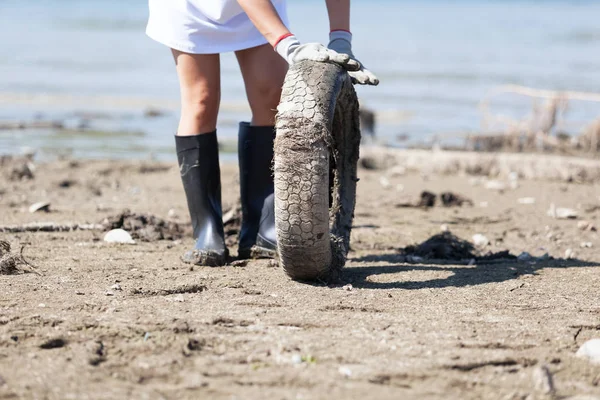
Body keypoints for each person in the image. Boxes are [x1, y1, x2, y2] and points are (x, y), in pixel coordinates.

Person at [146, 0, 378, 266]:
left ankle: (262, 228)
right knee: (201, 100)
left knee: (271, 95)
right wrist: (287, 45)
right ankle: (207, 232)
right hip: (191, 7)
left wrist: (340, 38)